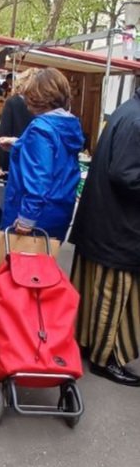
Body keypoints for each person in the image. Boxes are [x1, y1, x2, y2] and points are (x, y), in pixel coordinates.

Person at [70, 86, 140, 386]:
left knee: (95, 293)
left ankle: (87, 343)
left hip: (103, 225)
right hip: (117, 230)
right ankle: (103, 359)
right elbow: (125, 174)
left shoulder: (128, 110)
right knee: (111, 297)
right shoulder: (136, 120)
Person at [0, 67, 84, 239]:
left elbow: (40, 177)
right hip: (58, 210)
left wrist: (26, 219)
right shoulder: (67, 124)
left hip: (34, 216)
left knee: (19, 264)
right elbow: (54, 157)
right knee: (44, 263)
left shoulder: (40, 129)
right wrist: (19, 144)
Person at [0, 69, 35, 176]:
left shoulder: (12, 102)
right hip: (32, 158)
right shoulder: (40, 106)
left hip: (13, 156)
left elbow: (3, 133)